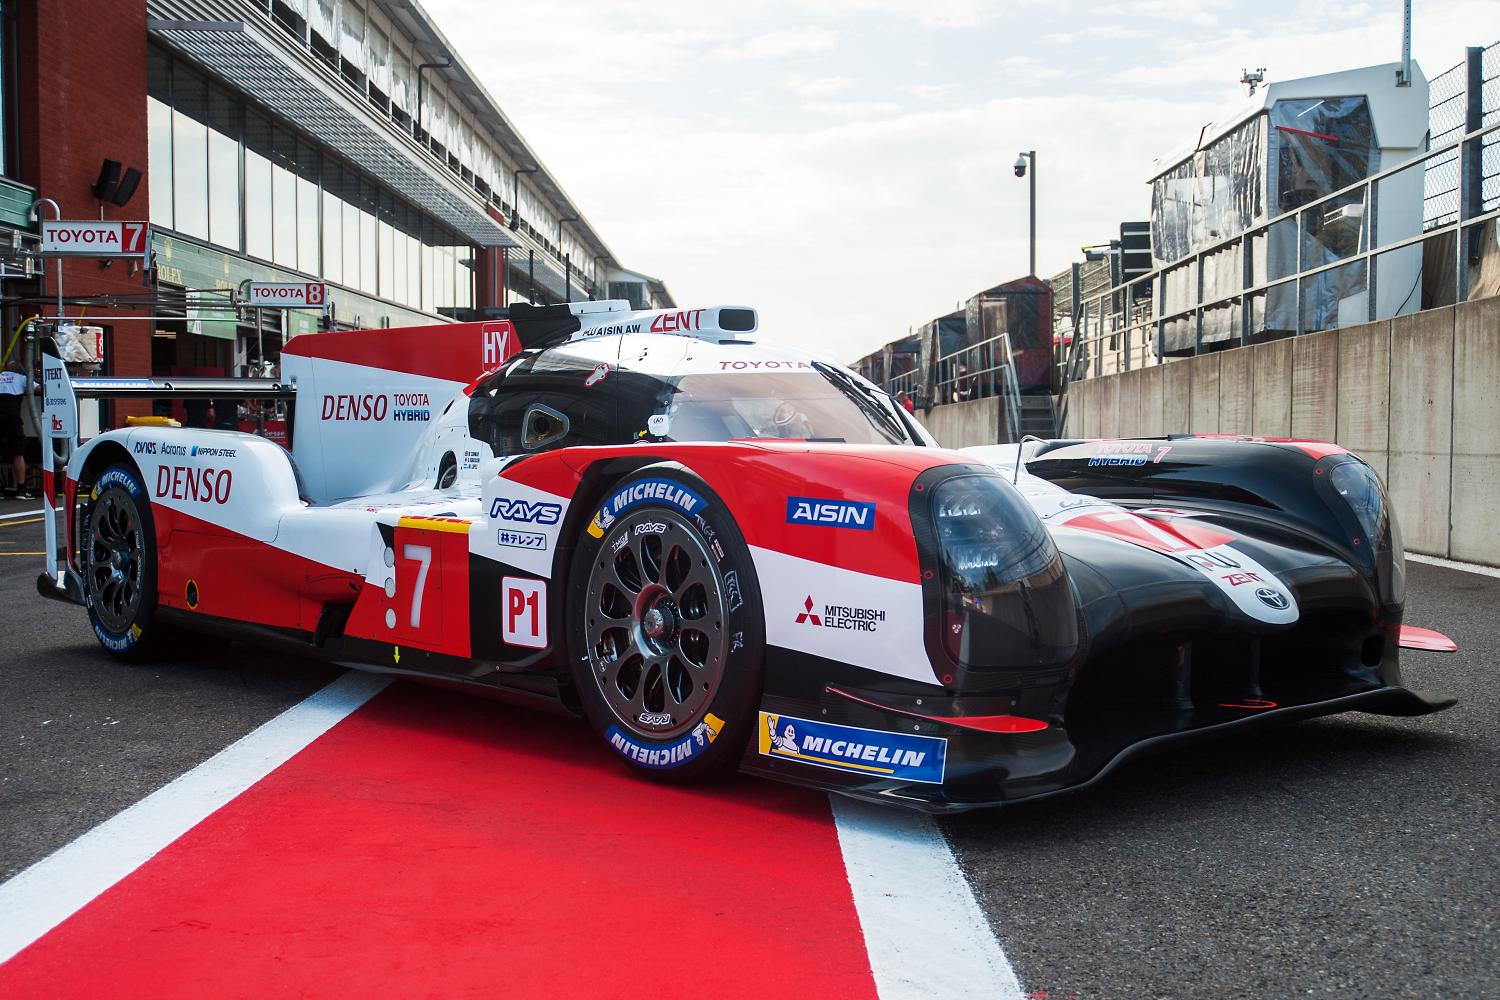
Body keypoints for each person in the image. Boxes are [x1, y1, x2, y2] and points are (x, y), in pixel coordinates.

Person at [0, 358, 31, 499]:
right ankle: (21, 490)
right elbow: (39, 388)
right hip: (12, 417)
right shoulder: (22, 378)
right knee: (18, 454)